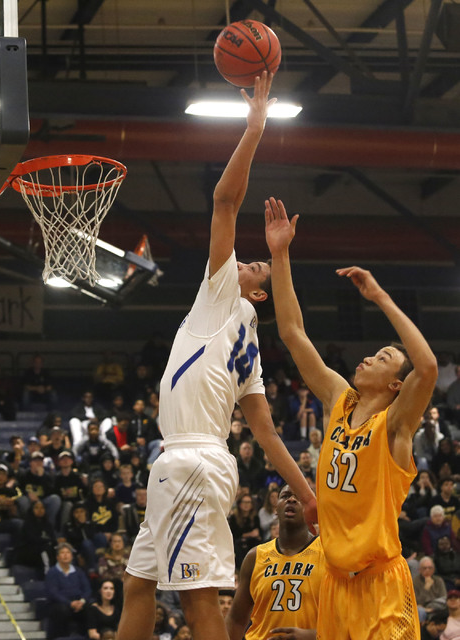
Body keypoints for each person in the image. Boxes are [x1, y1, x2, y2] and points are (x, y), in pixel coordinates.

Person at [118, 72, 316, 640]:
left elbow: (225, 199)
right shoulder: (248, 344)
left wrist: (254, 128)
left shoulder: (225, 297)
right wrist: (306, 493)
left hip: (193, 463)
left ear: (253, 290)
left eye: (253, 265)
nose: (244, 261)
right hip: (187, 462)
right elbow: (268, 436)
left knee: (198, 602)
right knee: (138, 584)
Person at [264, 197, 438, 639]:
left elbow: (428, 367)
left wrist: (379, 296)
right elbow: (292, 332)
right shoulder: (338, 400)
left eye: (382, 358)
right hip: (334, 583)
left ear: (395, 386)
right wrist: (280, 254)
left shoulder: (396, 427)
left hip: (381, 586)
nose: (368, 357)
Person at [226, 484, 325, 640]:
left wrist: (313, 636)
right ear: (275, 509)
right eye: (285, 496)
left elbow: (346, 618)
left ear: (311, 509)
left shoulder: (328, 554)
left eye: (298, 497)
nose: (291, 499)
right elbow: (236, 620)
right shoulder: (255, 556)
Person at [45, 542, 92, 639]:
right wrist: (70, 603)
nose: (65, 555)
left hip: (78, 602)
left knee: (90, 608)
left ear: (72, 556)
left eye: (68, 553)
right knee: (62, 610)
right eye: (62, 553)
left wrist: (82, 601)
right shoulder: (52, 572)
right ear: (57, 557)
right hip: (60, 604)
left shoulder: (78, 571)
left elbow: (87, 589)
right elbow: (53, 593)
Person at [413, 556, 447, 622]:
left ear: (433, 569)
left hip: (437, 607)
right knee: (420, 610)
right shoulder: (415, 582)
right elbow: (416, 602)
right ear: (419, 570)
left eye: (430, 568)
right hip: (422, 609)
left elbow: (444, 598)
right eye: (424, 568)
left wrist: (432, 607)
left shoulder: (439, 580)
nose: (427, 570)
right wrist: (426, 588)